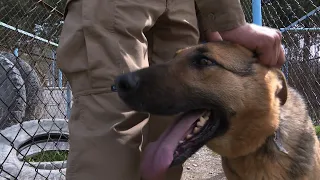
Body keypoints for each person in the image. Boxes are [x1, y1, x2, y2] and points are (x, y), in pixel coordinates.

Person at [56, 0, 285, 179]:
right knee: (116, 117)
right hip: (119, 7)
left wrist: (211, 21)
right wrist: (230, 23)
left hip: (184, 9)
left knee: (171, 119)